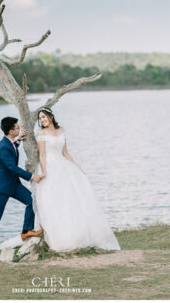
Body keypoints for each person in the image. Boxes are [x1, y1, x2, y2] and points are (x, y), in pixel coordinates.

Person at [31, 106, 120, 252]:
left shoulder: (61, 131)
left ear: (50, 117)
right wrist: (45, 171)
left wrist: (78, 167)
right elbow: (42, 155)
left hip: (63, 166)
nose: (42, 120)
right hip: (50, 168)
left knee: (71, 199)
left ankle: (77, 234)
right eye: (40, 118)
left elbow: (65, 152)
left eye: (44, 117)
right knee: (53, 201)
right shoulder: (41, 133)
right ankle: (58, 237)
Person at [0, 117, 44, 261]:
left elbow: (12, 148)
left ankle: (27, 230)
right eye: (17, 128)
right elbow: (12, 167)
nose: (19, 129)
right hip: (1, 187)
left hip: (13, 184)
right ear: (10, 131)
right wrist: (32, 176)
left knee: (30, 200)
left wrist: (18, 140)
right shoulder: (3, 146)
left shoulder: (9, 142)